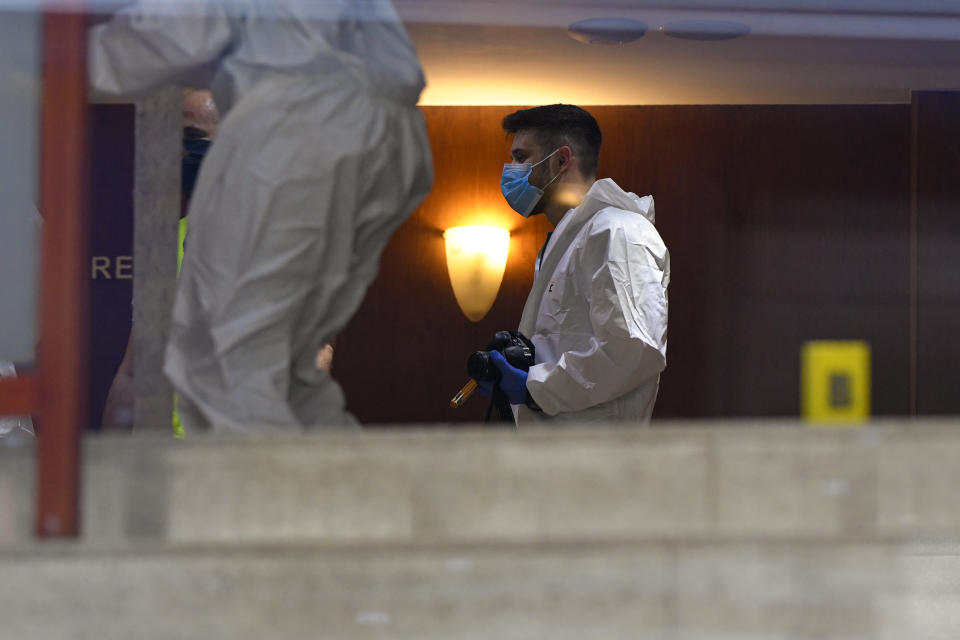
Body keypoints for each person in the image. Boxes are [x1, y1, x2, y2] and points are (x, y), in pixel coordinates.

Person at [89, 0, 433, 431]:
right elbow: (133, 371)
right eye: (177, 138)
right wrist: (114, 462)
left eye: (194, 136)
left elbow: (313, 358)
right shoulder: (168, 240)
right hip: (164, 463)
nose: (180, 152)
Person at [485, 104, 669, 425]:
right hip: (559, 453)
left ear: (561, 160)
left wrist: (533, 387)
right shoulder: (568, 242)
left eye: (521, 157)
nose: (510, 169)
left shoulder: (618, 232)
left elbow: (632, 350)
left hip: (596, 456)